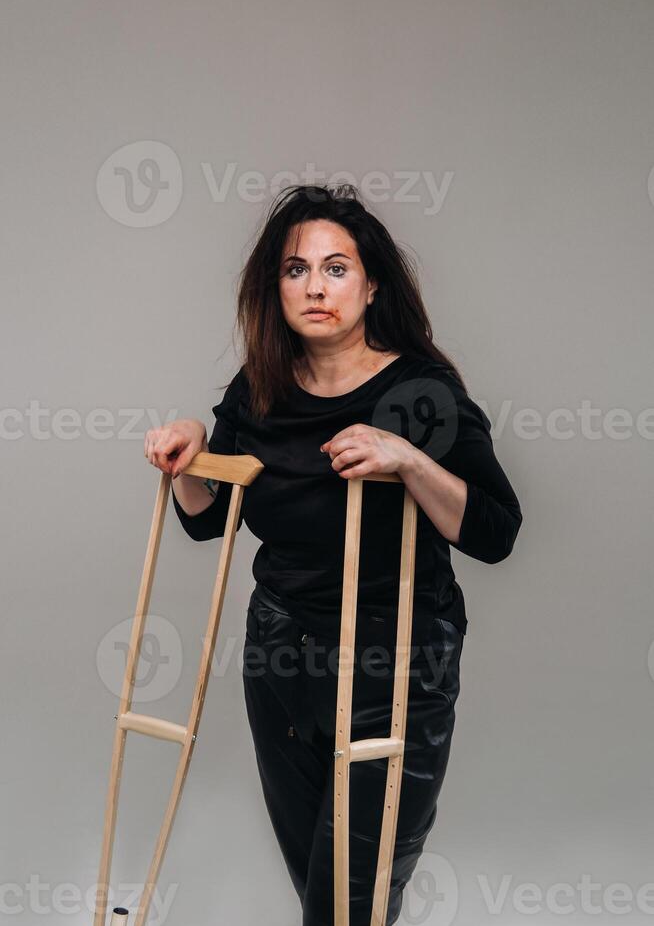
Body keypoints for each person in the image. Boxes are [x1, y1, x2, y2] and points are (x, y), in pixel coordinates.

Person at [144, 184, 523, 926]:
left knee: (348, 903)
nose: (315, 287)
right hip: (281, 660)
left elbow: (496, 530)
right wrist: (190, 456)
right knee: (327, 894)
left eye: (337, 268)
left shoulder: (420, 393)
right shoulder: (258, 391)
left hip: (395, 660)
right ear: (273, 287)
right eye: (295, 270)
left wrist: (407, 458)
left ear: (372, 282)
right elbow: (207, 522)